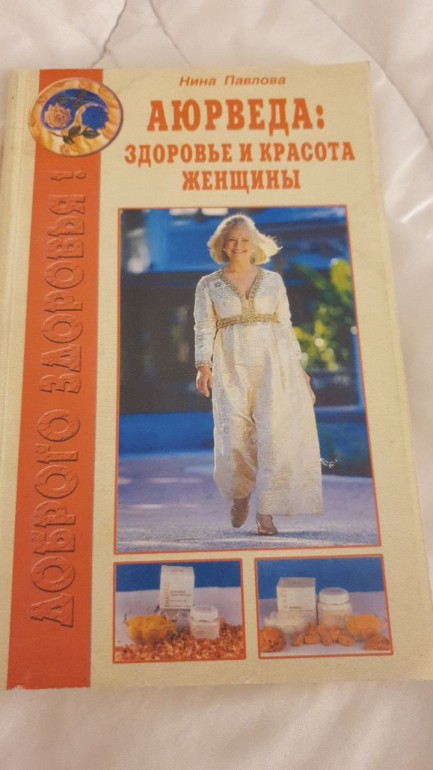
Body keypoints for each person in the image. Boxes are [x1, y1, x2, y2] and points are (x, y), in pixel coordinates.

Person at [194, 214, 322, 535]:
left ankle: (266, 511)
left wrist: (299, 369)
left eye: (244, 240)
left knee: (274, 438)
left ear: (254, 244)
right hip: (231, 367)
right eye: (232, 240)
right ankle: (240, 495)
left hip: (274, 366)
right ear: (222, 245)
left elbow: (285, 326)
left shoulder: (273, 281)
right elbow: (204, 326)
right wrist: (203, 366)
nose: (238, 246)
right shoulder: (208, 284)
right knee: (235, 439)